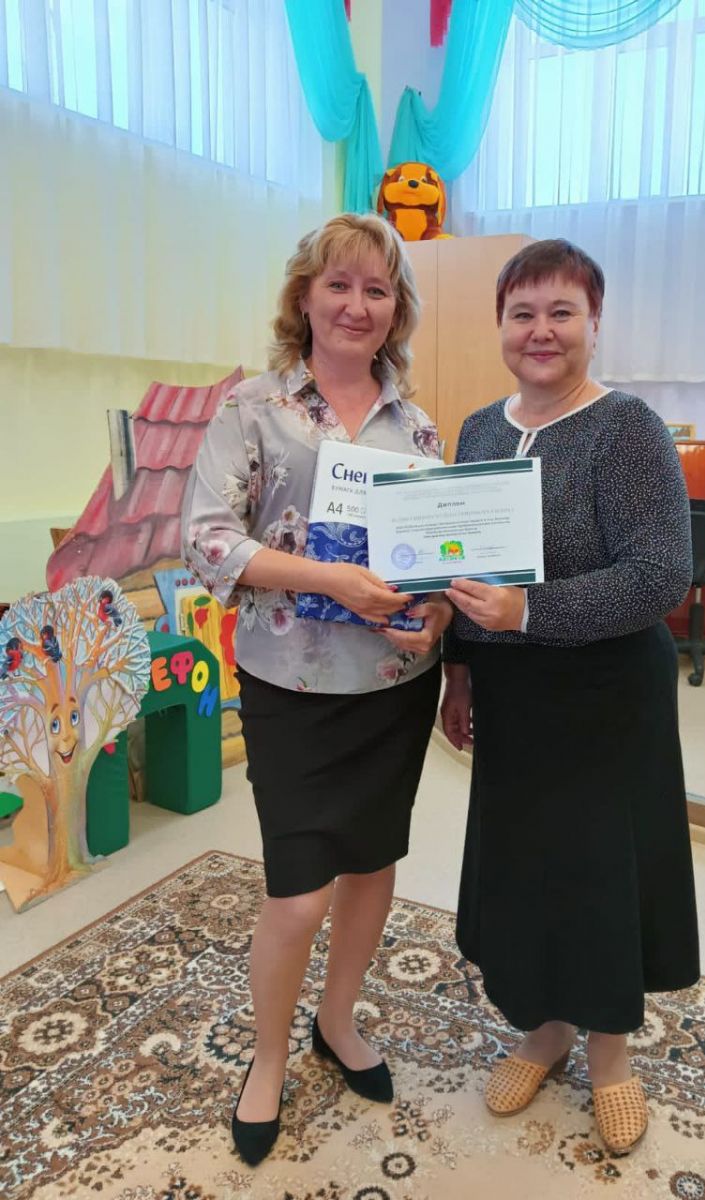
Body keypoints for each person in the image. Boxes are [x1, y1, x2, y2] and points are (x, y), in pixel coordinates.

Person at [182, 213, 451, 1167]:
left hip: (393, 684)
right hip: (289, 681)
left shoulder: (418, 427)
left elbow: (434, 557)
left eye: (377, 290)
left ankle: (337, 1022)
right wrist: (329, 578)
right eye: (338, 284)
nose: (356, 304)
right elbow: (207, 538)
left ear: (396, 310)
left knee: (372, 867)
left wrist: (436, 614)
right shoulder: (252, 407)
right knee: (298, 897)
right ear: (304, 296)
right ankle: (267, 1059)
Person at [441, 238, 699, 1156]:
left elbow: (660, 573)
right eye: (523, 313)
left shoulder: (626, 428)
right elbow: (461, 565)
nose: (541, 330)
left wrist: (529, 609)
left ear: (594, 323)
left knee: (599, 872)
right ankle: (542, 1031)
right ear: (500, 325)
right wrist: (460, 669)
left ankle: (610, 1057)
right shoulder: (477, 430)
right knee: (526, 866)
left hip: (606, 696)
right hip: (512, 695)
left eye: (562, 312)